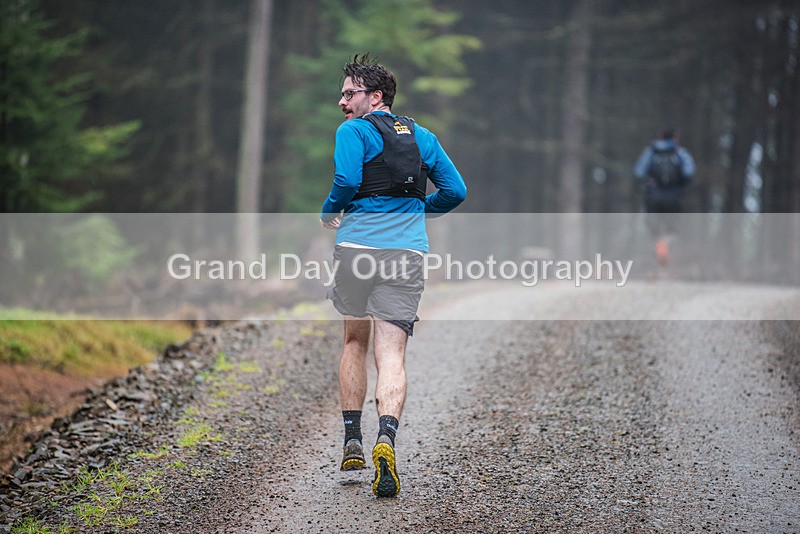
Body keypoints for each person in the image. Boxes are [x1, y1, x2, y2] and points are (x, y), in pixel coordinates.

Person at [320, 53, 466, 497]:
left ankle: (352, 441)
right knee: (392, 354)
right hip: (406, 253)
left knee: (353, 341)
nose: (342, 102)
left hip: (358, 249)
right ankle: (387, 437)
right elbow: (456, 191)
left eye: (350, 94)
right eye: (342, 95)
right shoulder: (423, 136)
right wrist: (422, 208)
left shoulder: (353, 131)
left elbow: (346, 180)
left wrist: (330, 211)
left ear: (375, 96)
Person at [633, 126, 696, 265]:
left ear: (660, 136)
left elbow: (638, 172)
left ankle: (658, 251)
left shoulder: (651, 152)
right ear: (676, 137)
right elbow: (689, 173)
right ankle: (664, 248)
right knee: (672, 230)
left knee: (652, 228)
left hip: (653, 196)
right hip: (674, 196)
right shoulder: (680, 152)